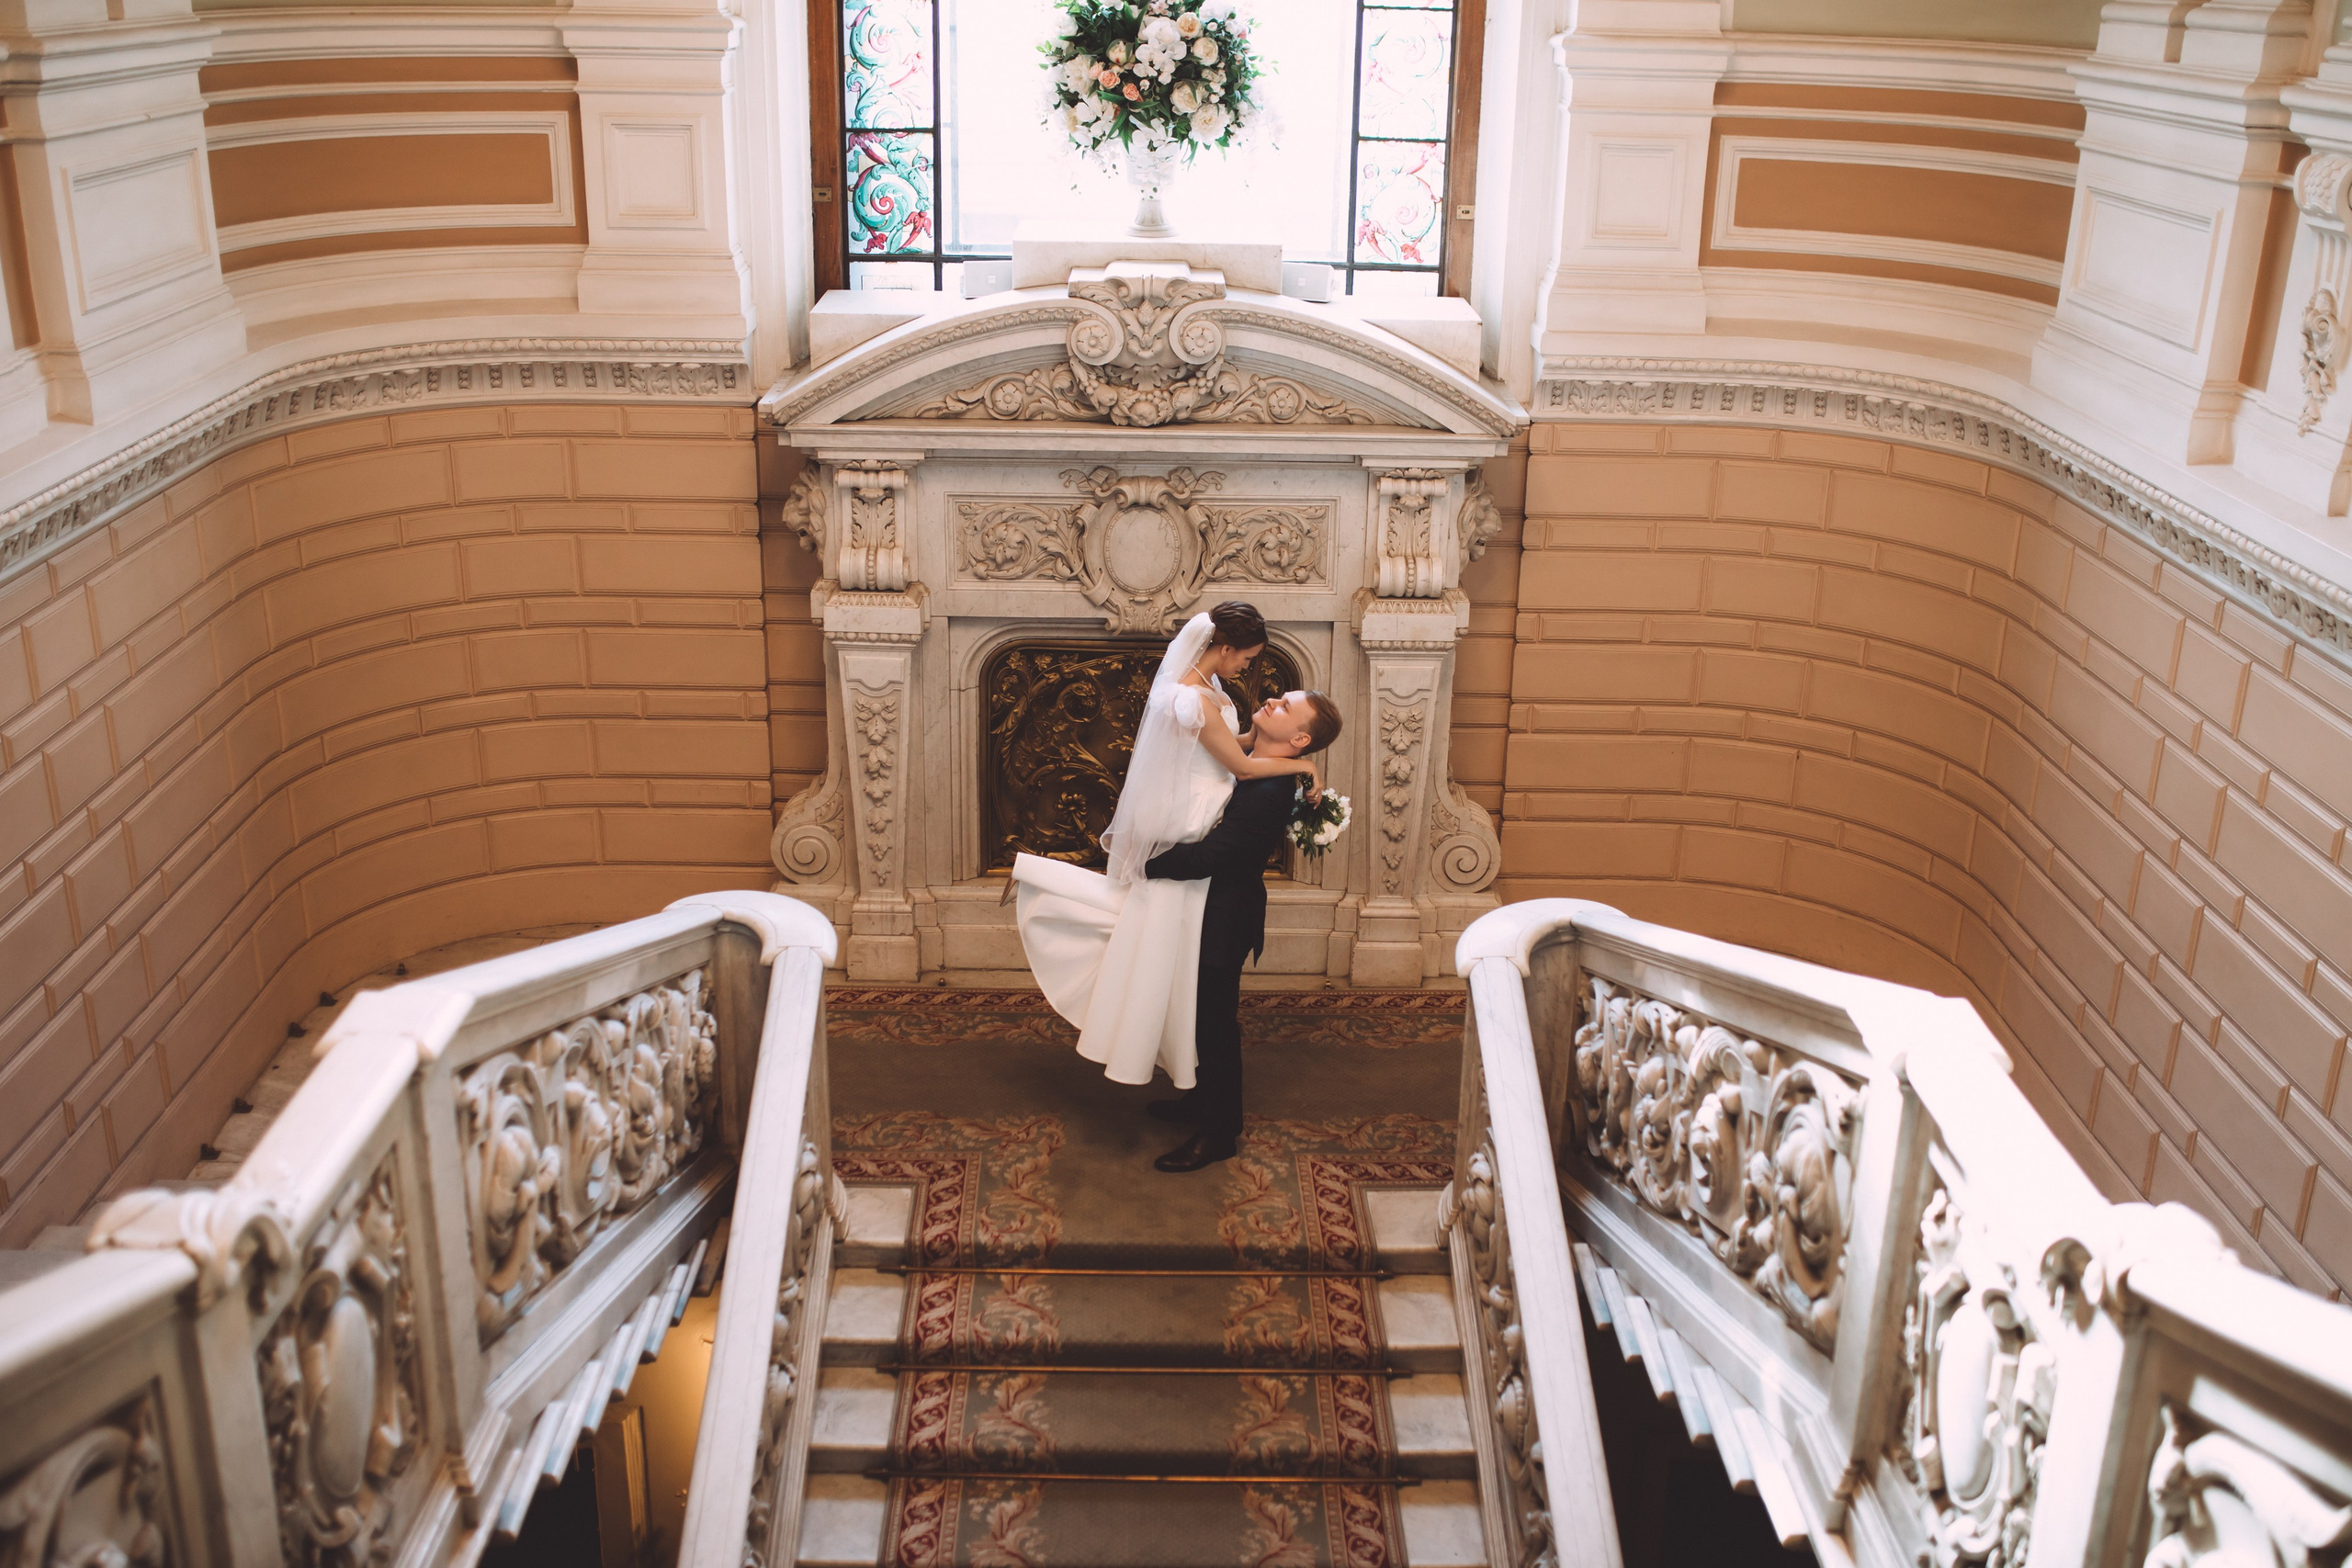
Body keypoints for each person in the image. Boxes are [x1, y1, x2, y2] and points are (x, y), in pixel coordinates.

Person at [1008, 603, 1331, 1119]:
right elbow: (1237, 763)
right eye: (1247, 659)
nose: (1253, 677)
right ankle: (1198, 1099)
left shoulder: (1210, 700)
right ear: (1224, 648)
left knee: (1195, 999)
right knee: (1178, 986)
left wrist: (1290, 761)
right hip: (1194, 842)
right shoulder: (1199, 702)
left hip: (1216, 878)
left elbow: (1229, 763)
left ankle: (1215, 1121)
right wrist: (1304, 765)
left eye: (1281, 703)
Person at [1136, 687, 1342, 1170]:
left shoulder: (1269, 791)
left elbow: (1212, 856)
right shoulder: (1250, 762)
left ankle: (1220, 1132)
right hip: (1202, 908)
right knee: (1196, 1015)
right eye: (1280, 697)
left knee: (1215, 1027)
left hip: (1224, 919)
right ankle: (1200, 1101)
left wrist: (1142, 863)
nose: (1272, 701)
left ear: (1299, 738)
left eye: (1285, 707)